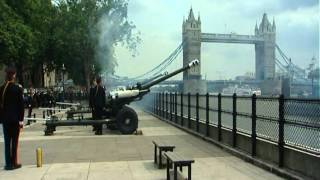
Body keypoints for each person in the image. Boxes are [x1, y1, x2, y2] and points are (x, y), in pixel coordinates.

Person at [0, 66, 24, 170]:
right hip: (15, 120)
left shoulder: (1, 88)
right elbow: (21, 106)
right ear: (14, 75)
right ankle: (14, 162)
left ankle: (8, 164)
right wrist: (21, 120)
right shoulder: (17, 88)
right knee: (14, 142)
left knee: (6, 142)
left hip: (5, 120)